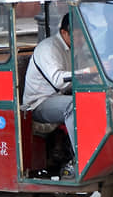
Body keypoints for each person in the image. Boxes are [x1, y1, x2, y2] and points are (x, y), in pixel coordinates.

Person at [21, 14, 86, 179]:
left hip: (58, 97)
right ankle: (82, 157)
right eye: (77, 35)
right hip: (38, 104)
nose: (81, 39)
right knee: (74, 105)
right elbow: (58, 80)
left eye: (82, 35)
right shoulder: (48, 48)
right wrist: (86, 73)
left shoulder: (74, 49)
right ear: (64, 33)